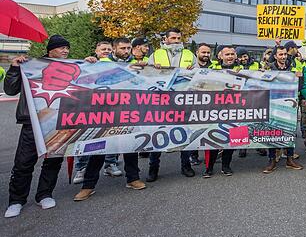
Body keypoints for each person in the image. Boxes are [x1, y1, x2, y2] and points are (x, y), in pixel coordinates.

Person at [73, 42, 148, 202]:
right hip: (105, 113)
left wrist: (150, 68)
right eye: (122, 48)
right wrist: (87, 63)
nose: (126, 51)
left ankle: (133, 179)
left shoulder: (135, 65)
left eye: (128, 48)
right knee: (99, 149)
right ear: (114, 49)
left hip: (128, 112)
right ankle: (88, 186)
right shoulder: (99, 64)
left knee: (130, 147)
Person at [4, 35, 70, 218]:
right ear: (50, 50)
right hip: (32, 122)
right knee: (23, 163)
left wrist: (91, 63)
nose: (65, 51)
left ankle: (44, 194)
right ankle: (16, 200)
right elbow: (10, 90)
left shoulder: (73, 67)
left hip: (59, 122)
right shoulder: (30, 66)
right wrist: (14, 68)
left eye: (67, 48)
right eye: (61, 48)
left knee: (53, 160)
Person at [145, 28, 196, 182]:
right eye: (173, 38)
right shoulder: (156, 55)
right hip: (161, 101)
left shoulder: (189, 55)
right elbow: (147, 76)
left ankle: (186, 165)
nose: (176, 41)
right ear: (165, 39)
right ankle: (153, 168)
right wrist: (155, 71)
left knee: (184, 132)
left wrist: (192, 72)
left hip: (182, 100)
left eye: (178, 38)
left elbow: (198, 74)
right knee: (158, 134)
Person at [73, 41, 123, 183]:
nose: (106, 51)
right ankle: (82, 168)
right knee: (86, 138)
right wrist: (86, 63)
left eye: (108, 49)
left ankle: (110, 164)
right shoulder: (88, 64)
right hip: (92, 107)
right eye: (103, 49)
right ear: (96, 50)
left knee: (111, 136)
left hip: (112, 106)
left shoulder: (117, 65)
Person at [262, 46, 304, 173]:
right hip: (272, 103)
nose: (283, 57)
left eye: (285, 54)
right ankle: (272, 160)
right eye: (280, 54)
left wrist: (299, 77)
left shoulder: (292, 67)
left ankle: (289, 159)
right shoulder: (269, 68)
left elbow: (300, 86)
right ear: (275, 56)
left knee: (289, 130)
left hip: (290, 104)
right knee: (272, 130)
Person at [203, 46, 242, 178]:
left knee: (232, 139)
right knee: (212, 139)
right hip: (215, 110)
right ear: (220, 56)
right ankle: (209, 168)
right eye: (227, 54)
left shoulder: (243, 69)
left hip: (236, 110)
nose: (230, 57)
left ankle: (226, 166)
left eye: (232, 54)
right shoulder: (212, 69)